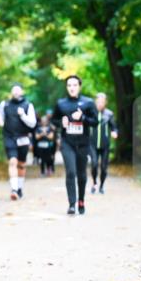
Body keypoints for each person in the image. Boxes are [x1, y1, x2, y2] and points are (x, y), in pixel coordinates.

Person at [51, 75, 98, 216]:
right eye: (69, 85)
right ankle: (72, 204)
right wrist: (61, 123)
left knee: (81, 174)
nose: (72, 88)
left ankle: (81, 200)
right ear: (66, 87)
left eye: (74, 85)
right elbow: (54, 120)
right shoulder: (61, 104)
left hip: (83, 143)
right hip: (67, 143)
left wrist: (82, 118)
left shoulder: (88, 103)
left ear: (79, 86)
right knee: (71, 172)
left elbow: (95, 122)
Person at [0, 84, 37, 200]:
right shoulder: (5, 104)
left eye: (18, 90)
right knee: (13, 162)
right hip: (9, 137)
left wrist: (23, 115)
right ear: (11, 92)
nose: (16, 92)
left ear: (22, 92)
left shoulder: (28, 105)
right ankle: (13, 189)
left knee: (21, 164)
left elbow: (33, 123)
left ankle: (19, 188)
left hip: (23, 138)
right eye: (14, 91)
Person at [89, 92, 118, 194]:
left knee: (104, 167)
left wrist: (114, 132)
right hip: (92, 144)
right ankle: (94, 183)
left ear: (105, 102)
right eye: (98, 101)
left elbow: (113, 126)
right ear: (95, 102)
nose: (100, 103)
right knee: (94, 163)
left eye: (102, 101)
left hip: (105, 145)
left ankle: (101, 186)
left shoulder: (109, 114)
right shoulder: (91, 113)